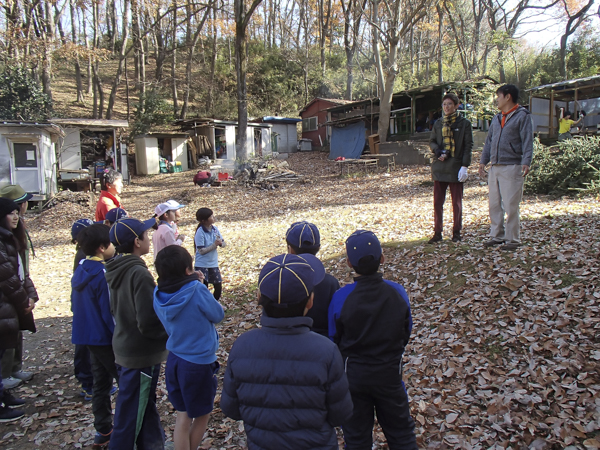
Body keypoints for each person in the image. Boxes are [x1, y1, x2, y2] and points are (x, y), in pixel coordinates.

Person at [221, 253, 353, 449]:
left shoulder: (242, 346)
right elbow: (340, 414)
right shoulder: (326, 351)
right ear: (310, 301)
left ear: (258, 298)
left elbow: (231, 408)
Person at [328, 230, 417, 449]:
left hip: (354, 376)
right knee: (401, 433)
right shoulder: (397, 292)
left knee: (356, 438)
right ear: (382, 258)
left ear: (349, 263)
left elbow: (334, 336)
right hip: (389, 372)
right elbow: (406, 330)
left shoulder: (341, 297)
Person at [105, 218, 168, 449]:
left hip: (125, 346)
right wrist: (171, 333)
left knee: (144, 405)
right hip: (139, 354)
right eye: (145, 234)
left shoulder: (116, 268)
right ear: (136, 241)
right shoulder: (138, 274)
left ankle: (153, 444)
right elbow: (148, 322)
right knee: (130, 413)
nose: (149, 237)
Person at [153, 246, 224, 450]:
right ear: (187, 270)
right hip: (198, 363)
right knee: (202, 416)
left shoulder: (157, 293)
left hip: (175, 359)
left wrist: (193, 281)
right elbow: (218, 315)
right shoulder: (196, 290)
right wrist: (199, 284)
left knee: (183, 416)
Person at [71, 224, 119, 448]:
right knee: (125, 380)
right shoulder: (102, 274)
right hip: (103, 337)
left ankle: (103, 428)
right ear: (102, 248)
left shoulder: (81, 267)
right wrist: (118, 335)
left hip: (86, 335)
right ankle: (128, 428)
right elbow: (108, 311)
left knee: (100, 383)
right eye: (110, 243)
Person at [478, 84, 533, 251]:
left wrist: (526, 161)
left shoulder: (522, 116)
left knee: (511, 204)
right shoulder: (496, 118)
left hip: (512, 165)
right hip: (495, 167)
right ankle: (497, 235)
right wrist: (483, 161)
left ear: (508, 97)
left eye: (499, 96)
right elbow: (489, 142)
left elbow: (527, 140)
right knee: (494, 204)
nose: (497, 100)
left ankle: (513, 239)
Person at [0, 198, 37, 422]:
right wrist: (24, 300)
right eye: (10, 213)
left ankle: (3, 394)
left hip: (10, 305)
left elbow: (21, 271)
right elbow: (7, 278)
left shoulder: (10, 238)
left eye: (17, 212)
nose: (15, 217)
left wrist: (31, 295)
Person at [428, 93, 474, 243]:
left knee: (456, 202)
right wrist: (437, 151)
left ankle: (456, 232)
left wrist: (465, 166)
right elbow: (432, 141)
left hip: (455, 166)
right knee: (437, 202)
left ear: (456, 105)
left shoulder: (464, 123)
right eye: (444, 104)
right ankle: (437, 232)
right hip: (440, 166)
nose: (446, 107)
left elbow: (468, 146)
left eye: (449, 104)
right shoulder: (438, 123)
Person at [285, 221, 339, 336]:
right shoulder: (331, 283)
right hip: (324, 344)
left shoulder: (282, 280)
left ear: (290, 250)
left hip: (288, 340)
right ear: (318, 248)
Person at [70, 218, 96, 400]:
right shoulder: (84, 258)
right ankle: (88, 384)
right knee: (86, 347)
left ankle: (87, 381)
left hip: (84, 307)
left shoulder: (82, 256)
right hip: (87, 308)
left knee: (85, 344)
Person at [194, 208, 225, 300]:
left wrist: (221, 243)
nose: (213, 217)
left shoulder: (215, 229)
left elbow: (223, 243)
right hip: (202, 264)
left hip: (213, 263)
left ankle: (215, 303)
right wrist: (214, 245)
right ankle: (205, 305)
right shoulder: (200, 232)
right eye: (211, 216)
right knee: (204, 287)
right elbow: (201, 251)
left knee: (218, 285)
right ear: (204, 220)